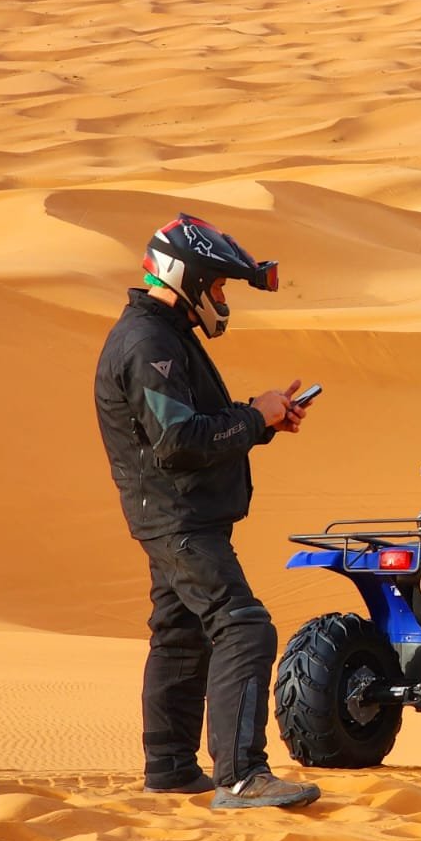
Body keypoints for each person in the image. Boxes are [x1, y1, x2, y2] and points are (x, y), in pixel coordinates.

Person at [94, 213, 321, 810]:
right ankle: (242, 775)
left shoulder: (162, 333)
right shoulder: (148, 342)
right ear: (187, 278)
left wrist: (261, 422)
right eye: (218, 286)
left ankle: (169, 768)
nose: (222, 299)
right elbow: (179, 442)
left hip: (176, 514)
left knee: (180, 634)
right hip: (178, 519)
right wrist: (254, 418)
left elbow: (184, 430)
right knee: (243, 625)